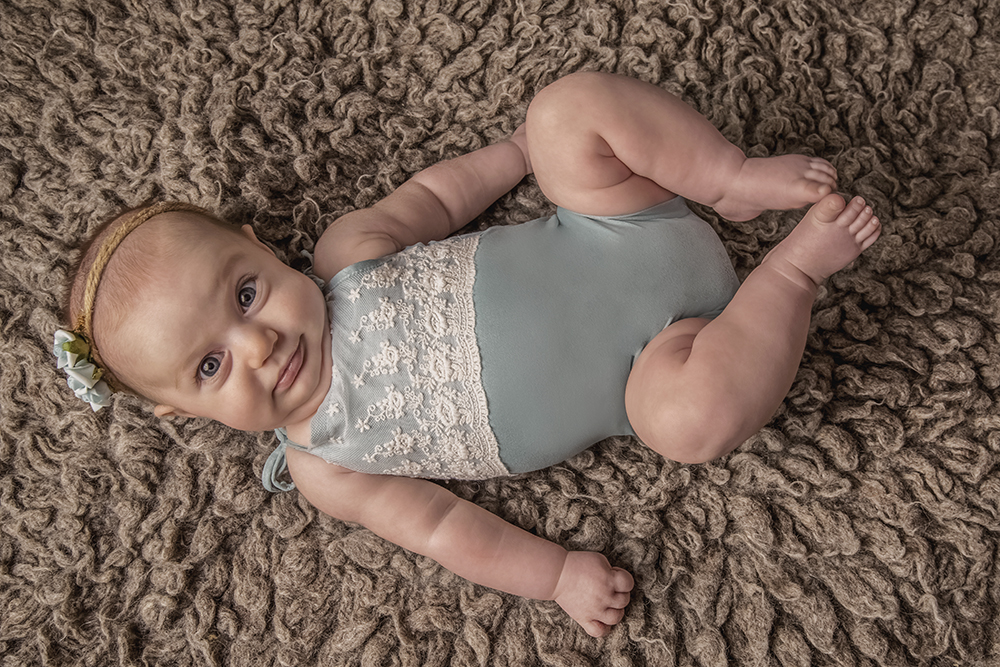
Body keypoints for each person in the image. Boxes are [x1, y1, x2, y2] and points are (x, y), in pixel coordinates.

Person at [56, 72, 880, 637]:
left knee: (566, 110)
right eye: (210, 367)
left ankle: (728, 178)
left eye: (245, 294)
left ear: (258, 246)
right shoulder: (326, 464)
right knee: (687, 423)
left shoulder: (347, 255)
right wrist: (555, 575)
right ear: (180, 410)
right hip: (661, 361)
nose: (260, 345)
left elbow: (436, 196)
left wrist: (519, 153)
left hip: (618, 221)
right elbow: (445, 528)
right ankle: (793, 273)